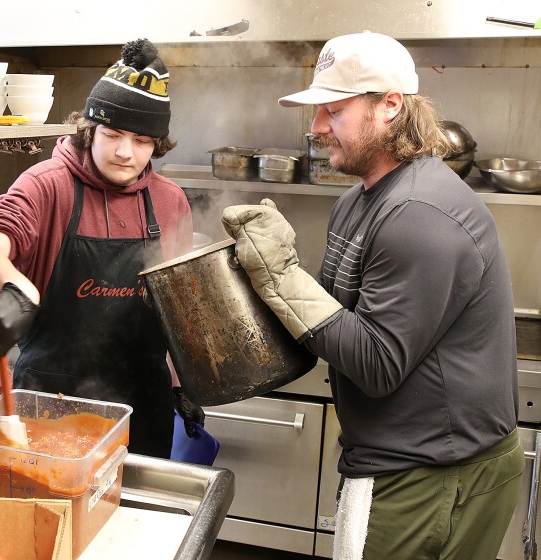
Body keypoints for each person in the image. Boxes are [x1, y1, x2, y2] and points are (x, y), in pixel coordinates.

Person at [221, 31, 523, 559]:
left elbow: (378, 363)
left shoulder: (419, 215)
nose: (315, 128)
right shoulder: (360, 200)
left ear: (389, 106)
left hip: (434, 476)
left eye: (332, 110)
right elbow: (338, 323)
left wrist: (282, 278)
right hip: (406, 460)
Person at [0, 39, 204, 459]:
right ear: (90, 128)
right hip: (50, 405)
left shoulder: (170, 202)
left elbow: (177, 310)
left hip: (142, 407)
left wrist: (181, 382)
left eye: (143, 140)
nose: (126, 152)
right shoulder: (48, 183)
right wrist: (13, 286)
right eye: (112, 134)